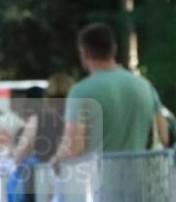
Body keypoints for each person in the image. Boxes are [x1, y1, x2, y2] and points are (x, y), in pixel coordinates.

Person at [53, 23, 168, 162]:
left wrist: (55, 161)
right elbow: (164, 137)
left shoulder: (81, 90)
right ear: (114, 50)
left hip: (99, 179)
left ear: (84, 53)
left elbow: (72, 147)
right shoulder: (145, 86)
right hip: (140, 178)